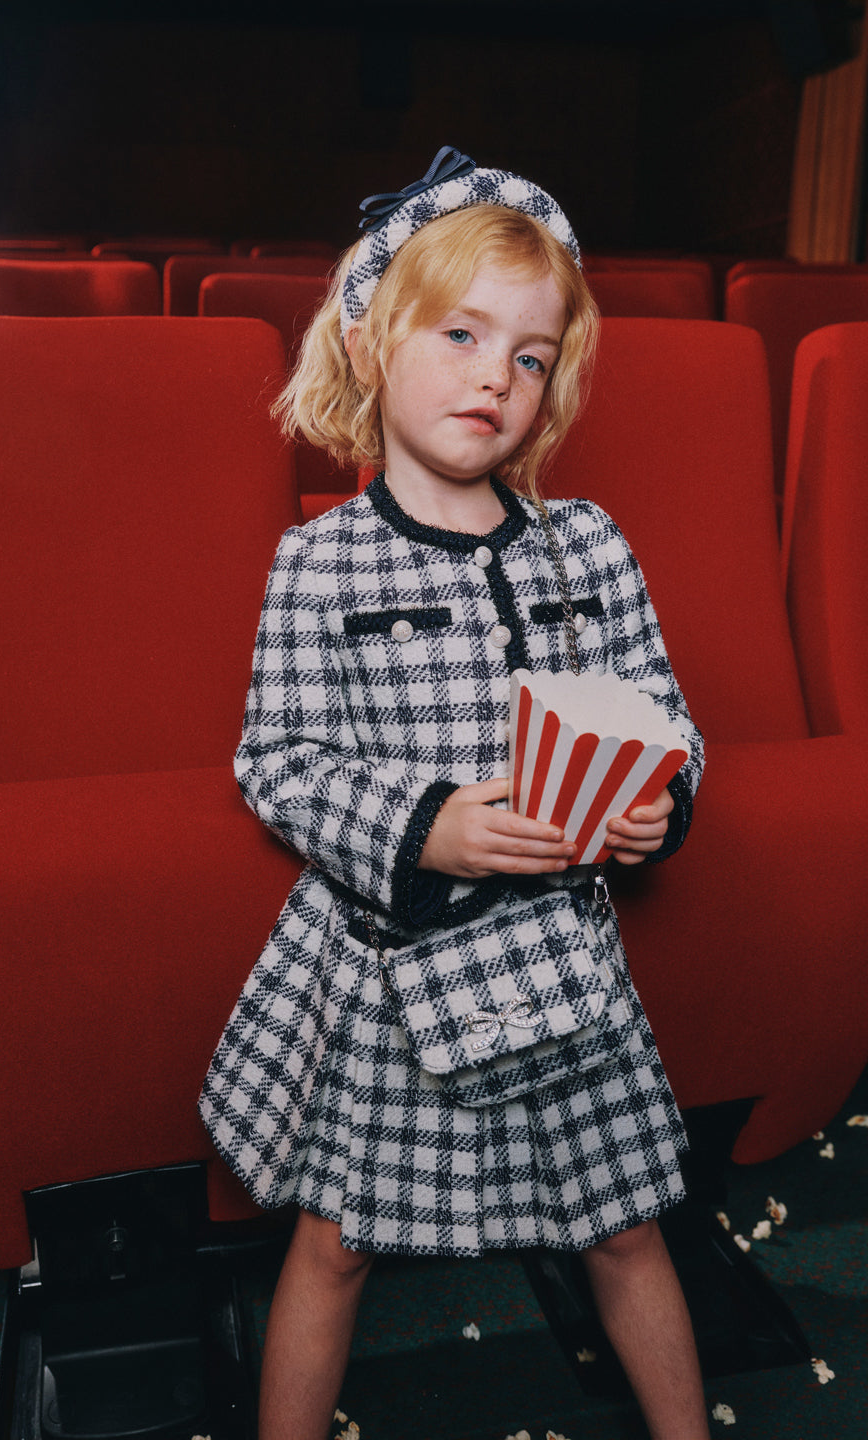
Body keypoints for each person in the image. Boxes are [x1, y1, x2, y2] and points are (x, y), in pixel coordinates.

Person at [199, 148, 710, 1440]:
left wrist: (660, 802)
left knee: (626, 1226)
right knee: (336, 1243)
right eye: (462, 334)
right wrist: (428, 827)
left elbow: (666, 723)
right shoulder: (319, 562)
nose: (497, 377)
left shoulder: (589, 547)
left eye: (531, 357)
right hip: (394, 968)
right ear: (372, 343)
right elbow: (280, 762)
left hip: (564, 958)